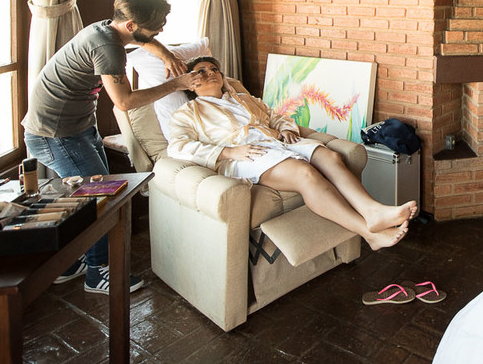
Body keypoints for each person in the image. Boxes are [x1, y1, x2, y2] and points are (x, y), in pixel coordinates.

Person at [23, 0, 195, 293]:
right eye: (156, 26)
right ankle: (98, 272)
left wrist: (166, 53)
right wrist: (176, 84)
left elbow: (145, 40)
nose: (161, 30)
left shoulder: (109, 29)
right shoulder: (107, 47)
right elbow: (125, 101)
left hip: (75, 127)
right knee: (101, 200)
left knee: (100, 193)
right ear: (131, 26)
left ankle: (77, 261)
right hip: (54, 134)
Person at [166, 56, 416, 250]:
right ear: (190, 83)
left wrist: (285, 129)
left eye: (213, 69)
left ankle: (373, 210)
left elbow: (275, 115)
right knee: (305, 174)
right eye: (201, 72)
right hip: (246, 156)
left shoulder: (243, 98)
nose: (210, 73)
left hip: (277, 143)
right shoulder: (188, 114)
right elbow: (177, 147)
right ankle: (368, 232)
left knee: (331, 156)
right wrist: (229, 152)